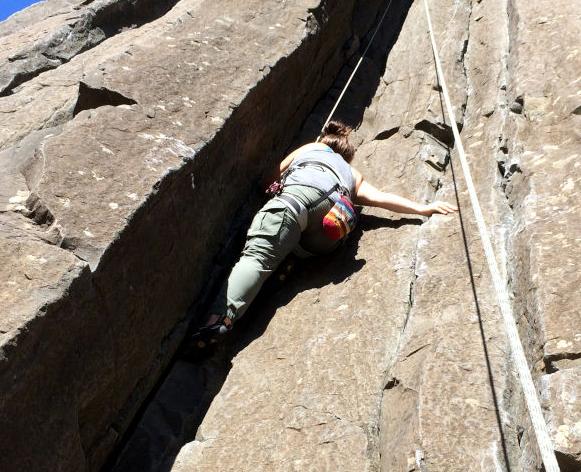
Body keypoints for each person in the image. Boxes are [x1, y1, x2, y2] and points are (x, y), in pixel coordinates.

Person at [193, 121, 457, 345]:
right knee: (299, 243)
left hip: (297, 200)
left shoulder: (314, 147)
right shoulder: (353, 175)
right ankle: (292, 257)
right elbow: (381, 198)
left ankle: (218, 320)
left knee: (257, 258)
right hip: (328, 230)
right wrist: (424, 209)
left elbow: (266, 181)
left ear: (326, 141)